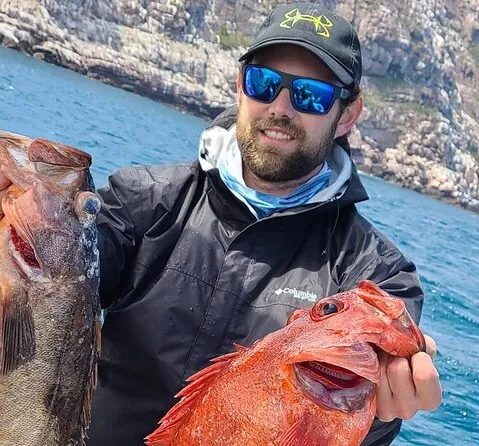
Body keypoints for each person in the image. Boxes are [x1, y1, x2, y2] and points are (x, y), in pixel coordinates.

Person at [0, 3, 442, 445]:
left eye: (311, 95)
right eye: (263, 83)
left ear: (346, 114)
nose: (280, 108)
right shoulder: (144, 199)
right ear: (240, 85)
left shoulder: (377, 274)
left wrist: (380, 409)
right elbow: (56, 284)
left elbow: (362, 411)